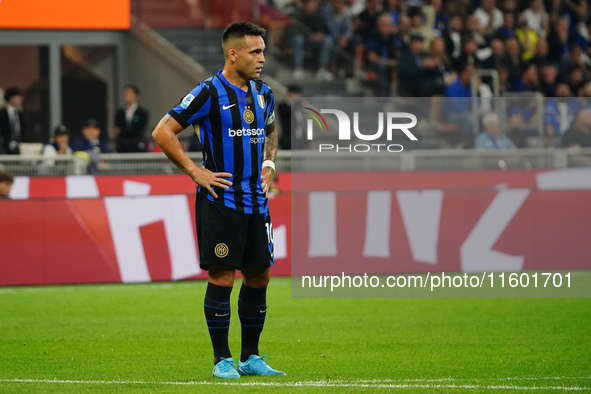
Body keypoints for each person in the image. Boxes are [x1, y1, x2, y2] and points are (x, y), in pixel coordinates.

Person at [151, 22, 285, 379]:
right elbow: (162, 131)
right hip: (221, 201)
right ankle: (222, 359)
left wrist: (268, 165)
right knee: (223, 275)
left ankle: (251, 357)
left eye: (263, 50)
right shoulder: (208, 92)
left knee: (259, 276)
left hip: (257, 203)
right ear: (233, 53)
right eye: (255, 52)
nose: (262, 58)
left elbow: (271, 130)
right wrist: (195, 171)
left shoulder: (263, 93)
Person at [114, 84, 149, 152]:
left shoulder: (142, 113)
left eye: (129, 94)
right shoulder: (119, 113)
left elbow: (140, 129)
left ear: (135, 96)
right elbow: (117, 130)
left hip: (137, 145)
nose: (126, 96)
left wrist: (123, 131)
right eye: (125, 94)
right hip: (122, 146)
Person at [0, 87, 25, 155]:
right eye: (18, 97)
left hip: (19, 146)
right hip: (4, 147)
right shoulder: (2, 114)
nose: (21, 99)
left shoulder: (20, 115)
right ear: (11, 98)